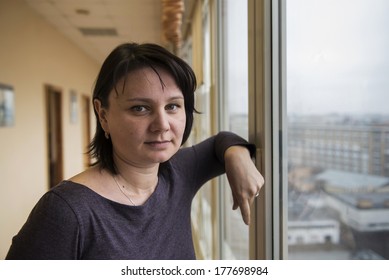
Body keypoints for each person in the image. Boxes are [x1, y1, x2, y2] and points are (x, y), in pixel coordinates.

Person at [6, 43, 264, 260]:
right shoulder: (67, 211)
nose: (162, 125)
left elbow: (221, 141)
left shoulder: (178, 172)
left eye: (173, 106)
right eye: (140, 108)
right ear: (103, 115)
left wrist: (236, 154)